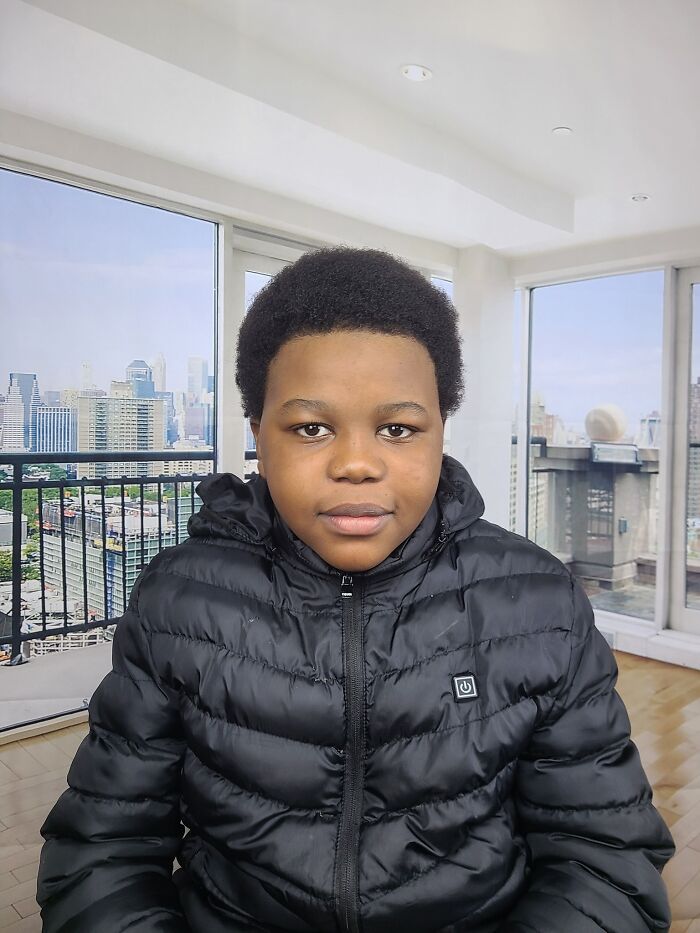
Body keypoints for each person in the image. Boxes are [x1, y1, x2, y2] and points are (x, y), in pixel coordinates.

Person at [36, 247, 675, 932]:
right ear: (258, 434)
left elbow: (605, 858)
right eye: (312, 427)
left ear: (440, 433)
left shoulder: (539, 605)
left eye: (397, 428)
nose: (357, 464)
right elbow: (104, 850)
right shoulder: (180, 602)